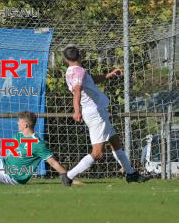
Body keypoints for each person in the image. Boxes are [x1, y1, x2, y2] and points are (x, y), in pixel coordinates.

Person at [61, 45, 147, 185]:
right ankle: (69, 176)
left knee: (115, 142)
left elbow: (90, 80)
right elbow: (77, 90)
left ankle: (131, 173)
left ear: (65, 60)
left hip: (96, 112)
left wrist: (108, 75)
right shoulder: (79, 71)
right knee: (97, 153)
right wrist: (76, 110)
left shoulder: (72, 72)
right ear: (80, 56)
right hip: (95, 114)